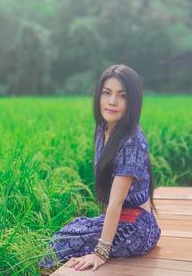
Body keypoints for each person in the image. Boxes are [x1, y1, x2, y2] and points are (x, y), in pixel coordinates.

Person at [38, 64, 161, 275]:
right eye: (107, 93)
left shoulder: (132, 141)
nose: (112, 101)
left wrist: (101, 253)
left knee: (60, 249)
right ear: (99, 96)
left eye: (122, 96)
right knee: (63, 237)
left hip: (137, 226)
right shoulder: (103, 129)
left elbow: (116, 202)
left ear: (133, 102)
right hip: (120, 217)